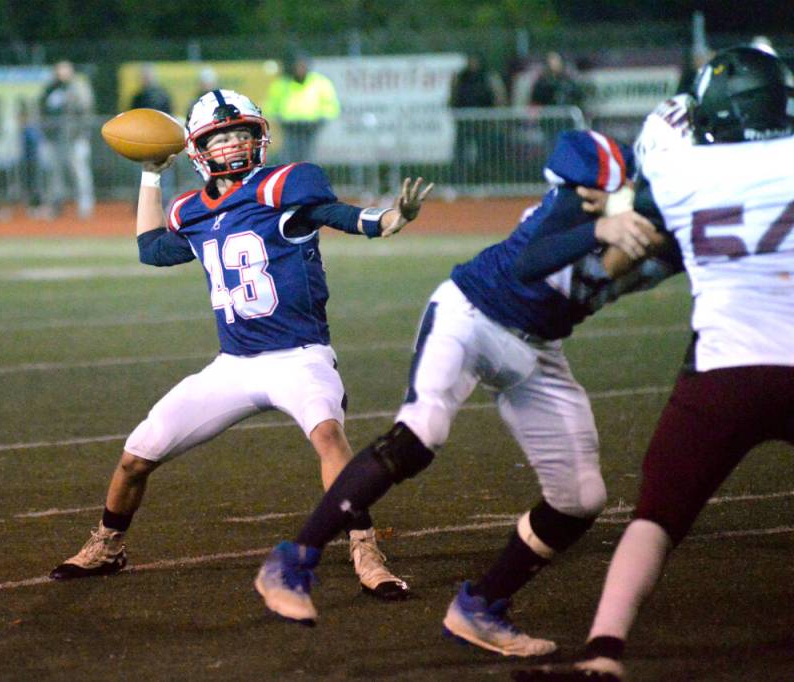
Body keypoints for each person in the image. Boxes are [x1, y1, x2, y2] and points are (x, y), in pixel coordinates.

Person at [255, 128, 682, 645]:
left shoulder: (676, 226)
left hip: (536, 345)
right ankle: (292, 561)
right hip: (473, 314)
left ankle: (481, 607)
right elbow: (530, 263)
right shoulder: (573, 209)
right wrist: (602, 229)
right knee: (422, 430)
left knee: (579, 497)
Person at [49, 89, 434, 604]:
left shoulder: (283, 187)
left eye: (241, 134)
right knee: (137, 455)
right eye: (221, 136)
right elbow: (150, 251)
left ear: (259, 138)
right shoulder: (191, 209)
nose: (232, 144)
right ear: (199, 149)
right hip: (233, 365)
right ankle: (107, 546)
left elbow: (341, 215)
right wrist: (151, 174)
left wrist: (389, 219)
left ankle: (365, 549)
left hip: (300, 356)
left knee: (328, 436)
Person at [513, 46, 794, 682]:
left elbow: (637, 238)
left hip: (723, 370)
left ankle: (604, 651)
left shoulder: (678, 171)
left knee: (656, 520)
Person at [40, 60, 95, 219]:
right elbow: (43, 108)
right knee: (55, 174)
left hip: (75, 138)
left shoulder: (78, 88)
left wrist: (80, 133)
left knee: (79, 171)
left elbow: (85, 110)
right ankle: (56, 205)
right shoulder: (51, 89)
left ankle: (85, 206)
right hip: (55, 138)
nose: (60, 75)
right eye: (58, 71)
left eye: (63, 71)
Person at [263, 53, 340, 164]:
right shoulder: (282, 84)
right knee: (289, 156)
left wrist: (321, 119)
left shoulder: (320, 82)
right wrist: (278, 118)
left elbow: (330, 105)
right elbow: (271, 106)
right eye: (298, 66)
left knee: (308, 156)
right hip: (289, 127)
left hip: (311, 127)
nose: (300, 69)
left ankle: (307, 177)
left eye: (303, 66)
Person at [448, 55, 508, 185]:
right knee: (461, 155)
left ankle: (483, 182)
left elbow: (498, 97)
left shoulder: (487, 77)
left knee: (484, 155)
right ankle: (459, 184)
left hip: (484, 123)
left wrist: (495, 117)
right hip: (464, 122)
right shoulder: (461, 77)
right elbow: (453, 97)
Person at [130, 65, 177, 210]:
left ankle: (164, 202)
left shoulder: (162, 94)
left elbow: (169, 115)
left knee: (164, 170)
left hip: (161, 140)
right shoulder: (138, 96)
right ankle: (143, 202)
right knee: (143, 171)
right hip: (142, 140)